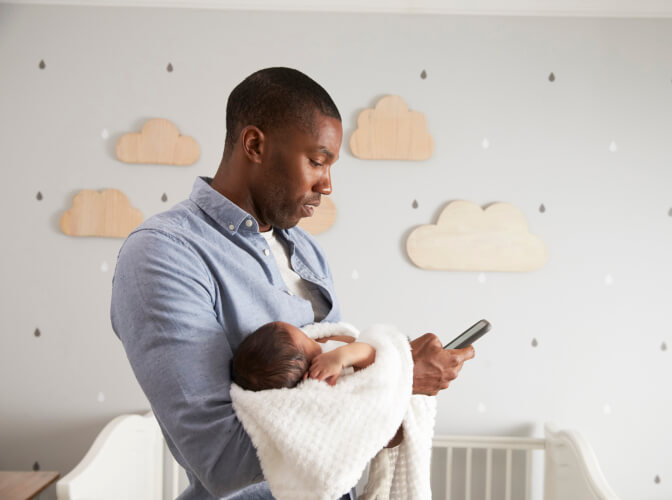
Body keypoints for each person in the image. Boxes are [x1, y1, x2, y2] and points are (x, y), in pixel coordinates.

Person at [110, 67, 474, 500]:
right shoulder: (165, 253)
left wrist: (391, 396)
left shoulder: (305, 251)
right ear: (255, 145)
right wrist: (399, 377)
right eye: (317, 161)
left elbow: (349, 411)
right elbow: (221, 459)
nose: (328, 183)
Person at [231, 321, 374, 391]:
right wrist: (341, 356)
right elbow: (372, 355)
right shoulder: (330, 357)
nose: (315, 339)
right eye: (307, 339)